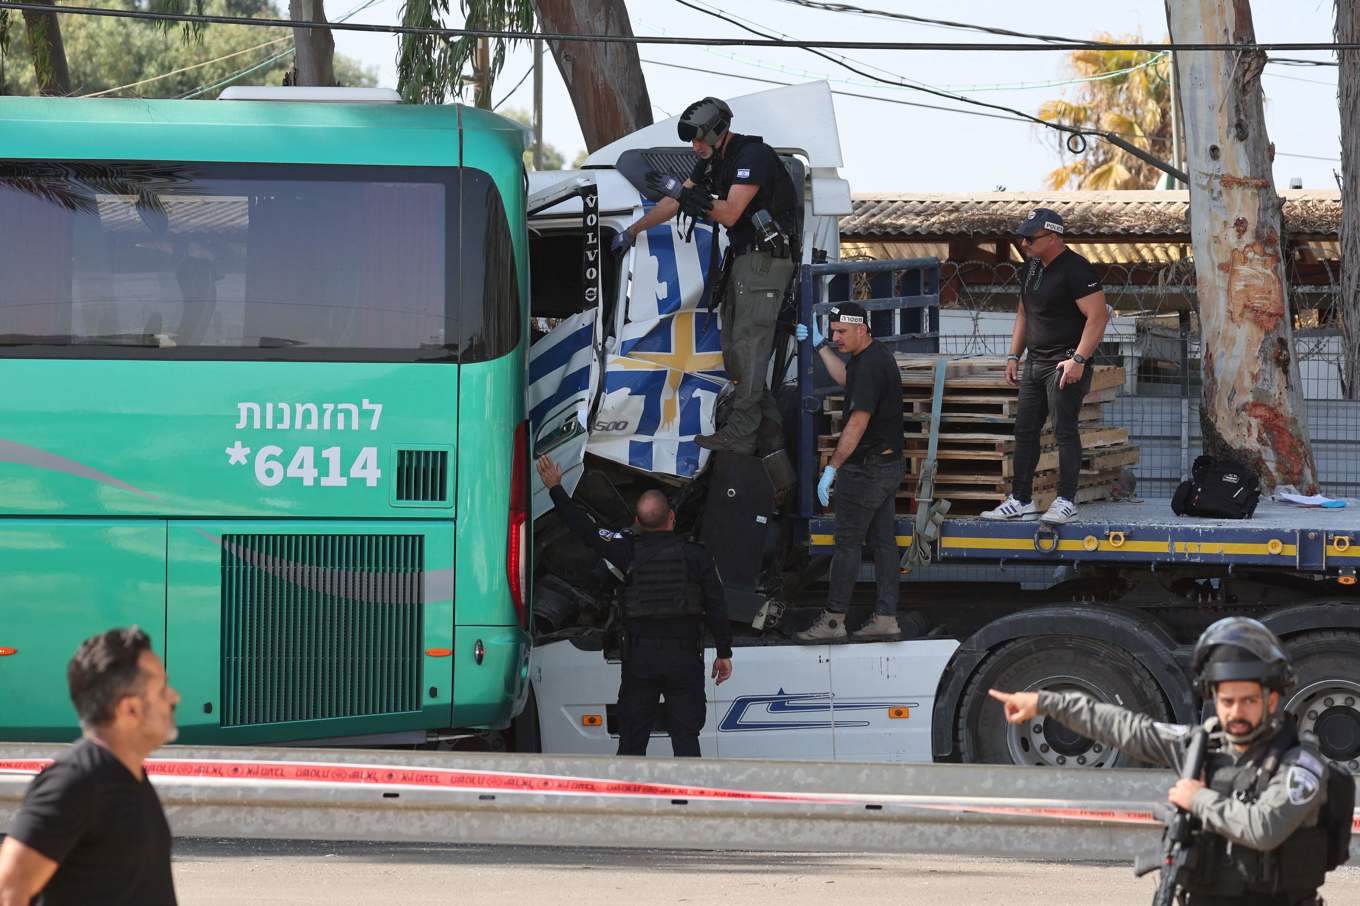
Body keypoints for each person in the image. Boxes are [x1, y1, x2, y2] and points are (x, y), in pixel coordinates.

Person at [991, 617, 1346, 906]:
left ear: (1271, 702)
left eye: (1248, 701)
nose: (1236, 712)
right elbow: (1127, 727)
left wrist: (1196, 799)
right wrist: (1047, 704)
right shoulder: (1200, 747)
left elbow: (1264, 828)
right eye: (1227, 701)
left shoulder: (1300, 762)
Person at [612, 96, 801, 457]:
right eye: (692, 140)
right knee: (734, 350)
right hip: (746, 260)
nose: (694, 147)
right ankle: (771, 438)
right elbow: (674, 202)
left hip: (765, 262)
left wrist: (694, 198)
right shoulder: (713, 159)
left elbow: (729, 214)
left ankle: (742, 435)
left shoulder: (752, 156)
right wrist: (632, 231)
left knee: (748, 349)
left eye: (699, 139)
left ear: (718, 132)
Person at [535, 454, 733, 757]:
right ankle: (688, 801)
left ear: (638, 522)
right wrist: (723, 652)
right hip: (684, 660)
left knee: (631, 742)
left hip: (640, 660)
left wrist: (556, 487)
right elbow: (717, 604)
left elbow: (584, 530)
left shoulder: (626, 550)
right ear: (672, 518)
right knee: (686, 740)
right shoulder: (696, 556)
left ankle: (628, 799)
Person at [0, 627, 181, 906]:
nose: (174, 697)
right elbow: (9, 890)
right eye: (161, 690)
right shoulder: (76, 781)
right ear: (129, 709)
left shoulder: (127, 773)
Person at [793, 303, 924, 643]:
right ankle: (886, 617)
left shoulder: (869, 366)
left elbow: (858, 420)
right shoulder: (872, 356)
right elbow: (847, 378)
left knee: (847, 544)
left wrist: (832, 468)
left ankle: (834, 621)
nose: (837, 337)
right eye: (833, 331)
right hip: (886, 464)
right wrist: (820, 345)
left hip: (867, 471)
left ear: (862, 329)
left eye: (841, 332)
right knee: (882, 543)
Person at [981, 208, 1108, 525]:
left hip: (1064, 363)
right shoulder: (1032, 268)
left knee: (1064, 431)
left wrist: (1078, 359)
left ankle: (1066, 500)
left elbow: (1098, 316)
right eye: (1021, 237)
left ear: (1053, 237)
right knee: (1024, 431)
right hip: (1035, 363)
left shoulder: (1077, 269)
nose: (1024, 243)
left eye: (1030, 238)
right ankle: (1020, 500)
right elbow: (1024, 314)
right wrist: (1014, 355)